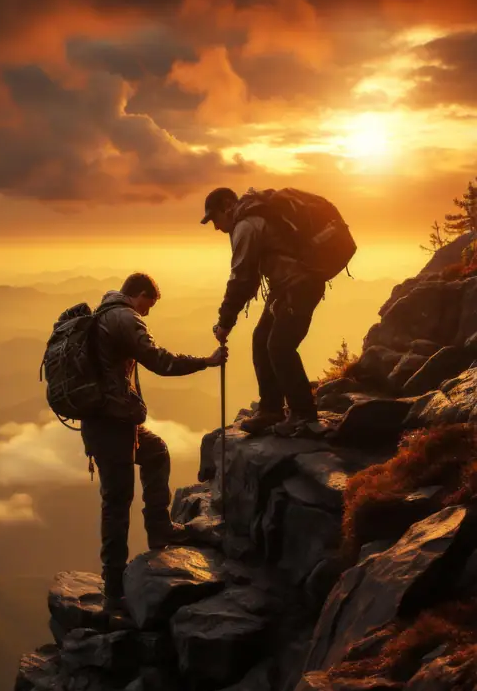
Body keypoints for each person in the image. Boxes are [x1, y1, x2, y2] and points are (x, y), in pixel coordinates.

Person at [81, 272, 226, 612]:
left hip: (109, 422)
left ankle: (160, 529)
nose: (148, 313)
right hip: (111, 426)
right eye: (149, 304)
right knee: (116, 503)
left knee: (156, 452)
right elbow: (160, 361)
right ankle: (113, 588)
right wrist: (205, 362)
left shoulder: (102, 313)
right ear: (139, 294)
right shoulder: (124, 319)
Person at [201, 186, 324, 437]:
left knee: (280, 346)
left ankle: (304, 416)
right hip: (288, 286)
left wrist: (225, 322)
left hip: (298, 286)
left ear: (227, 205)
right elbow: (251, 278)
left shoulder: (246, 225)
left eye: (214, 218)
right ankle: (271, 409)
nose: (215, 226)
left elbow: (241, 279)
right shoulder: (255, 218)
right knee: (261, 340)